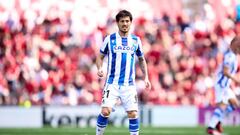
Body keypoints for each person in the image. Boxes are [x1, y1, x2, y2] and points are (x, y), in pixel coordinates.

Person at [95, 10, 151, 135]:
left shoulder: (136, 41)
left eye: (127, 21)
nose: (125, 24)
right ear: (117, 23)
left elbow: (142, 60)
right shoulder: (109, 39)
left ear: (131, 23)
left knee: (133, 113)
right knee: (105, 111)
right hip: (112, 83)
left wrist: (146, 77)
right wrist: (99, 68)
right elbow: (99, 57)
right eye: (122, 21)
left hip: (129, 84)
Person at [207, 37, 240, 135]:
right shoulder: (230, 56)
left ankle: (217, 121)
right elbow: (225, 72)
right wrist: (236, 80)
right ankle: (211, 128)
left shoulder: (233, 56)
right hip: (221, 85)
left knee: (235, 105)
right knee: (222, 106)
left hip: (226, 85)